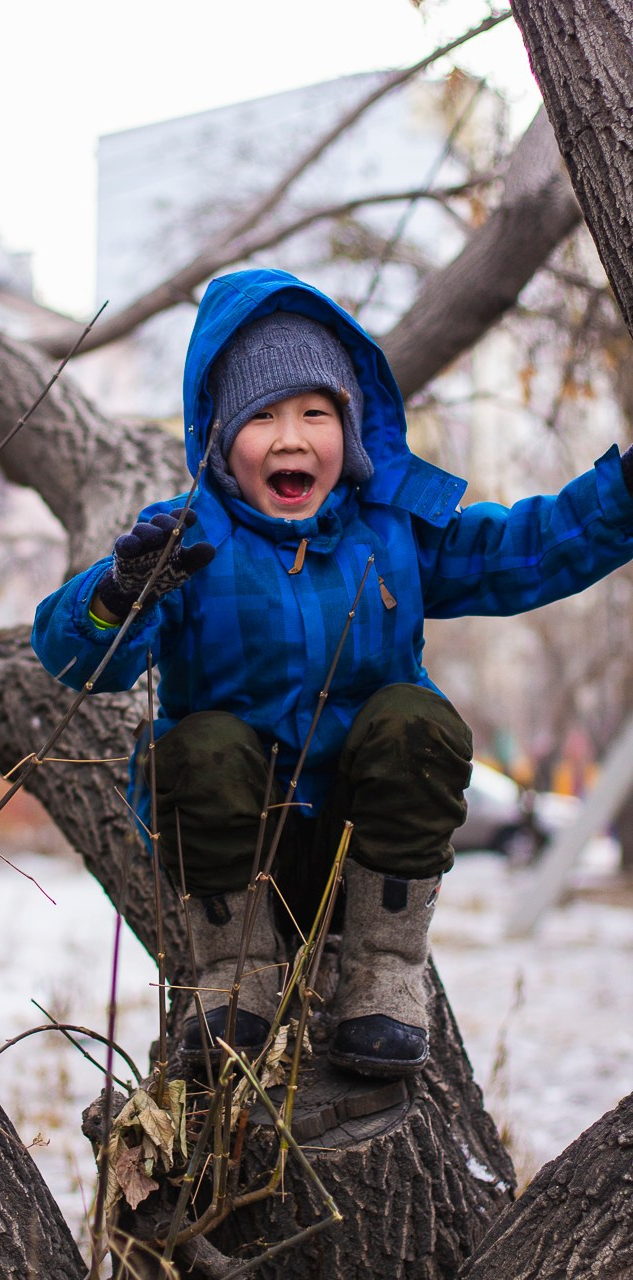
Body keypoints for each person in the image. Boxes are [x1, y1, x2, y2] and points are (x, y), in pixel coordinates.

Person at [32, 267, 633, 1078]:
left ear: (349, 431)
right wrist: (118, 594)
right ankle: (234, 973)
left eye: (315, 413)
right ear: (217, 437)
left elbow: (520, 553)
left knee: (415, 720)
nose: (290, 438)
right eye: (261, 417)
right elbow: (79, 661)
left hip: (367, 839)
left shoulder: (392, 533)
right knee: (199, 742)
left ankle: (383, 971)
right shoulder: (191, 545)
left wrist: (621, 496)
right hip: (242, 841)